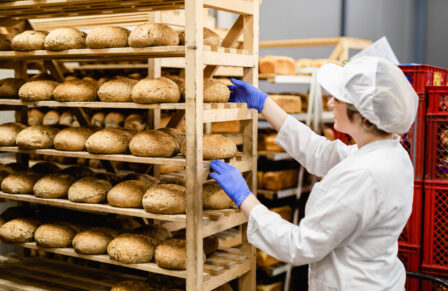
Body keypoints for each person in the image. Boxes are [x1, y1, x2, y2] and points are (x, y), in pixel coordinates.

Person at [209, 56, 419, 290]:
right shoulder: (387, 152)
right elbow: (320, 152)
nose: (329, 104)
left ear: (363, 116)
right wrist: (264, 104)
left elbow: (299, 246)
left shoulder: (364, 174)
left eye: (337, 98)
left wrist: (244, 198)